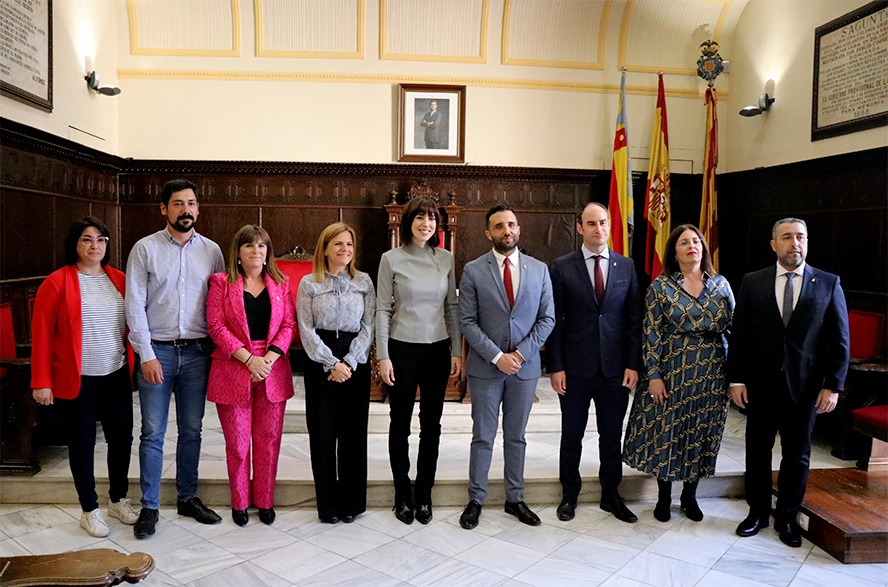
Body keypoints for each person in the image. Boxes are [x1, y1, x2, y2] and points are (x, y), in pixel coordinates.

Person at [728, 218, 849, 547]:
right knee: (757, 451)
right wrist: (736, 379)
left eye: (800, 237)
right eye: (787, 237)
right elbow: (739, 336)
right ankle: (756, 512)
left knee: (797, 455)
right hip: (760, 384)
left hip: (806, 387)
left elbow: (840, 341)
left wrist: (833, 386)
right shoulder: (754, 282)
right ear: (774, 244)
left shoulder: (827, 282)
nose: (794, 243)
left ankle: (787, 517)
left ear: (807, 242)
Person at [126, 179, 225, 539]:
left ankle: (187, 497)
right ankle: (149, 507)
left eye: (192, 204)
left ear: (198, 209)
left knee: (193, 430)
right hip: (158, 352)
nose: (186, 210)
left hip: (198, 353)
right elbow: (134, 303)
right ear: (164, 209)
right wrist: (146, 353)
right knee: (152, 432)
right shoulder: (144, 249)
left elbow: (219, 304)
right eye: (178, 204)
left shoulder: (212, 251)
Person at [30, 217, 139, 537]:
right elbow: (42, 335)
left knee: (122, 440)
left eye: (101, 240)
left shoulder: (119, 279)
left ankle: (118, 499)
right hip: (78, 378)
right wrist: (41, 380)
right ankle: (89, 509)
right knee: (82, 443)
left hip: (116, 373)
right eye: (87, 240)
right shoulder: (57, 282)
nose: (95, 246)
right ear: (74, 245)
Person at [622, 224, 734, 523]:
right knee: (667, 433)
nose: (692, 246)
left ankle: (690, 496)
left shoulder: (721, 284)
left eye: (696, 241)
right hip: (672, 369)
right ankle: (663, 497)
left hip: (712, 371)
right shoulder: (661, 286)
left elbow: (735, 329)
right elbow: (651, 332)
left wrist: (735, 375)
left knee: (701, 431)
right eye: (684, 242)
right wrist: (654, 374)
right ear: (675, 251)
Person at [458, 203, 554, 530]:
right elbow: (467, 321)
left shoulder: (539, 270)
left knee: (516, 437)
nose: (507, 231)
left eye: (511, 224)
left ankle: (515, 498)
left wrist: (521, 355)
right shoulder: (473, 270)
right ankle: (476, 499)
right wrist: (498, 356)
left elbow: (547, 318)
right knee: (483, 436)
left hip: (524, 371)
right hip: (486, 368)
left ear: (519, 229)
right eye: (499, 226)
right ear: (489, 233)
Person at [547, 202, 642, 524]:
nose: (597, 228)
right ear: (580, 228)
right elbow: (555, 320)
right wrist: (555, 366)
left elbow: (634, 320)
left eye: (602, 222)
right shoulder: (561, 267)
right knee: (571, 435)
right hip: (574, 368)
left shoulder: (626, 266)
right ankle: (569, 495)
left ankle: (611, 495)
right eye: (590, 223)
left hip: (615, 370)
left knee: (610, 435)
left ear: (609, 225)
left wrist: (633, 364)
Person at [376, 197, 462, 525]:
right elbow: (383, 308)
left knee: (432, 425)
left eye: (432, 218)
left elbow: (451, 308)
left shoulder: (446, 259)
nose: (426, 223)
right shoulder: (391, 259)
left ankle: (424, 493)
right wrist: (383, 355)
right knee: (400, 424)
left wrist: (456, 351)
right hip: (401, 349)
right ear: (408, 221)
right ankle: (403, 493)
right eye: (420, 217)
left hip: (437, 349)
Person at [207, 225, 295, 527]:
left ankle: (265, 502)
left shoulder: (281, 283)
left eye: (261, 246)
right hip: (234, 367)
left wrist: (268, 358)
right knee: (238, 443)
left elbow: (288, 326)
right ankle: (240, 502)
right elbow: (216, 327)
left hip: (272, 367)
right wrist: (248, 359)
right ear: (238, 253)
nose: (256, 251)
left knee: (268, 442)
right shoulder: (221, 282)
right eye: (249, 246)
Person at [297, 223, 375, 524]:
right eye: (338, 244)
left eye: (349, 245)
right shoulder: (309, 283)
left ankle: (352, 504)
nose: (345, 250)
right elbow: (305, 329)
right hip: (321, 362)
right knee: (323, 434)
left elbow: (369, 324)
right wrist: (331, 363)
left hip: (355, 360)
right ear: (325, 248)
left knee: (354, 436)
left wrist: (351, 362)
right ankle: (328, 506)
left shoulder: (364, 281)